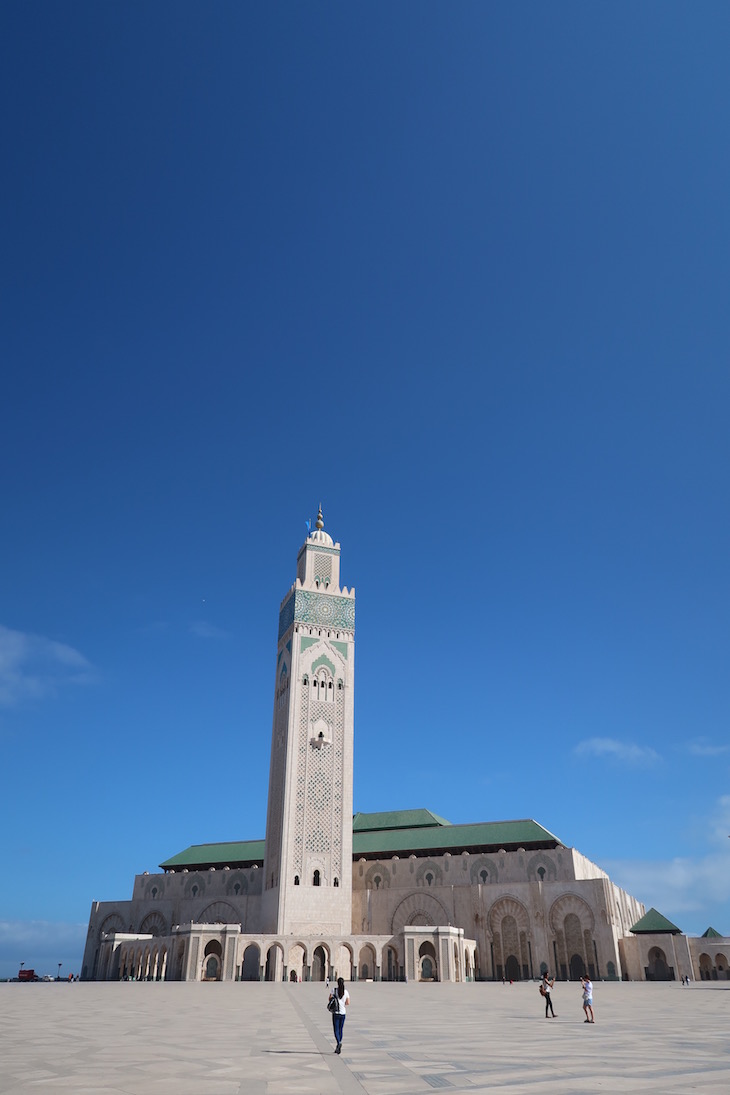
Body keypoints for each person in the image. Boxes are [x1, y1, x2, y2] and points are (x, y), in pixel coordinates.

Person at [328, 976, 350, 1054]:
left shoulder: (334, 990)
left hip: (336, 1013)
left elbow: (329, 999)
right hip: (343, 1013)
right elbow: (348, 1003)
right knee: (341, 1029)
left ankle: (338, 1043)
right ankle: (339, 1042)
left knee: (336, 1030)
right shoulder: (346, 992)